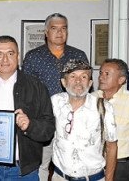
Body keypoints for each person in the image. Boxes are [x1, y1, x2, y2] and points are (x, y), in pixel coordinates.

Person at [0, 35, 55, 180]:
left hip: (24, 170)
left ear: (18, 57)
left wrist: (30, 125)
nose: (5, 59)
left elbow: (49, 129)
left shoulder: (37, 87)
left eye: (10, 53)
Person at [22, 13, 88, 181]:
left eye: (63, 28)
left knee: (72, 165)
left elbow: (86, 88)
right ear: (46, 32)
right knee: (41, 165)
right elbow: (26, 91)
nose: (59, 32)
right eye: (54, 28)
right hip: (43, 121)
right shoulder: (33, 57)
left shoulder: (78, 56)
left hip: (73, 122)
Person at [51, 59, 117, 181]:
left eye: (84, 77)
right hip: (60, 177)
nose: (78, 81)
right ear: (63, 82)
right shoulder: (55, 102)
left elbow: (111, 146)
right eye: (73, 76)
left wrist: (109, 179)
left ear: (90, 83)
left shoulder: (103, 107)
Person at [94, 59, 129, 181]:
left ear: (121, 79)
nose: (101, 77)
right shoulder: (92, 98)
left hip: (120, 165)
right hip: (93, 162)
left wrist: (121, 148)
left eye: (107, 74)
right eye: (100, 73)